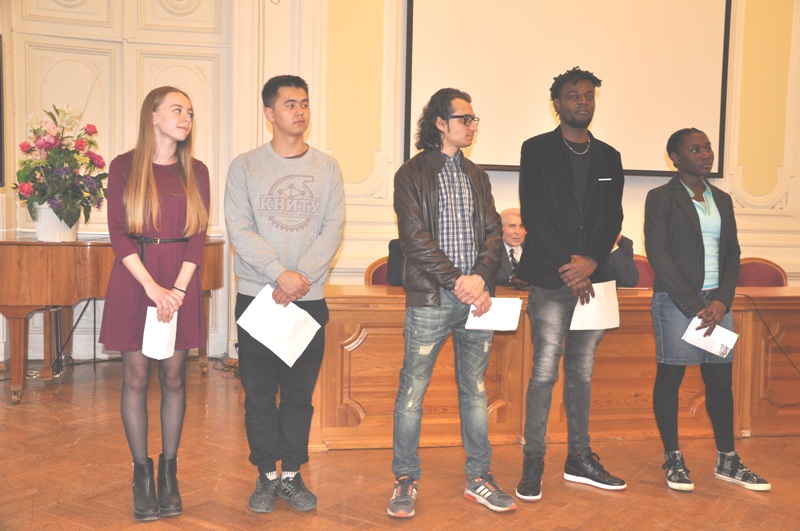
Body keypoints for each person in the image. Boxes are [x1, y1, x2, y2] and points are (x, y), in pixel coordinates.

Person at [388, 88, 515, 518]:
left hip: (476, 299)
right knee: (412, 391)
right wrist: (458, 281)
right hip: (431, 298)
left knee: (475, 391)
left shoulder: (477, 175)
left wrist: (479, 278)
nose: (472, 126)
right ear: (441, 123)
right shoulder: (411, 173)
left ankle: (479, 478)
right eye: (465, 119)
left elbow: (493, 232)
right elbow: (414, 240)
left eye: (475, 119)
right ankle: (405, 478)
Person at [225, 75, 345, 514]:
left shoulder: (327, 168)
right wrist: (279, 274)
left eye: (305, 103)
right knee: (259, 396)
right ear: (269, 113)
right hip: (259, 298)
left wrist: (301, 277)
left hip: (307, 300)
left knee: (298, 395)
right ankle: (265, 476)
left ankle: (291, 474)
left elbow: (333, 228)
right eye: (290, 104)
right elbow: (240, 229)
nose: (300, 111)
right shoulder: (245, 166)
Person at [515, 67, 626, 502]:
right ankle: (534, 460)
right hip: (550, 276)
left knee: (582, 372)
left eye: (588, 95)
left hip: (594, 279)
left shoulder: (609, 156)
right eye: (573, 95)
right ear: (557, 103)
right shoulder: (536, 149)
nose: (582, 101)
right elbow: (534, 212)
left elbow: (613, 216)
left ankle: (579, 457)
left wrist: (591, 261)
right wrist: (568, 265)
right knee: (544, 371)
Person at [99, 86, 210, 521]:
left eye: (190, 112)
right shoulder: (123, 166)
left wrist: (177, 291)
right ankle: (141, 476)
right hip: (136, 279)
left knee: (174, 377)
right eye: (177, 110)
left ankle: (169, 474)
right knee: (136, 377)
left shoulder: (196, 171)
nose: (186, 118)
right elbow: (118, 232)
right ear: (153, 117)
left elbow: (198, 237)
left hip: (180, 278)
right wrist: (151, 288)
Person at [644, 128, 770, 492]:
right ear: (676, 158)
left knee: (719, 381)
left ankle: (727, 460)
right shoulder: (661, 197)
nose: (706, 154)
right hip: (677, 303)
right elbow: (658, 253)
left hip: (716, 304)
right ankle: (673, 457)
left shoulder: (722, 199)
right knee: (671, 378)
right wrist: (694, 305)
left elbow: (732, 252)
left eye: (708, 148)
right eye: (695, 149)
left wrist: (721, 301)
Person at [495, 207, 529, 289]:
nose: (518, 232)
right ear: (501, 228)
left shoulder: (532, 248)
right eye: (512, 226)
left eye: (521, 226)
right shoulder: (492, 250)